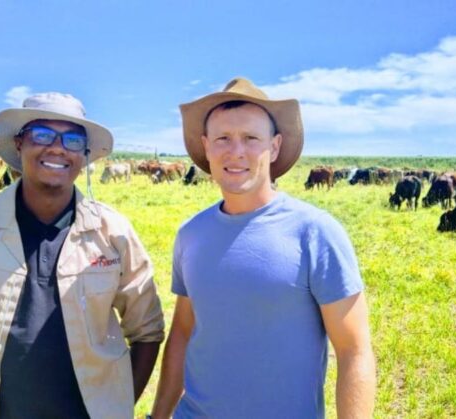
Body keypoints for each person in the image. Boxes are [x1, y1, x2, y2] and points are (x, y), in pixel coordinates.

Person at [0, 92, 165, 418]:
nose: (58, 147)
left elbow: (147, 330)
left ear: (85, 154)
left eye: (73, 140)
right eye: (43, 134)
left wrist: (113, 405)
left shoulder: (112, 232)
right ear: (19, 143)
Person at [151, 78, 376, 418]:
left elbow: (354, 350)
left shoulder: (315, 232)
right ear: (206, 146)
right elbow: (183, 333)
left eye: (251, 138)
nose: (236, 151)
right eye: (223, 138)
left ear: (274, 146)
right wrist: (158, 415)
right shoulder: (191, 235)